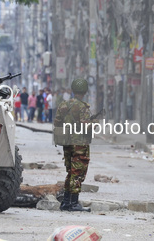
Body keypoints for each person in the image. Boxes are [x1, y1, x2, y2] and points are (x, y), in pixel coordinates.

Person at [54, 78, 92, 212]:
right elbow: (86, 126)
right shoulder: (83, 107)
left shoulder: (64, 105)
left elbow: (57, 123)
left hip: (67, 142)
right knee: (78, 173)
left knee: (70, 172)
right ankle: (74, 203)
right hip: (79, 143)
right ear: (85, 91)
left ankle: (66, 202)